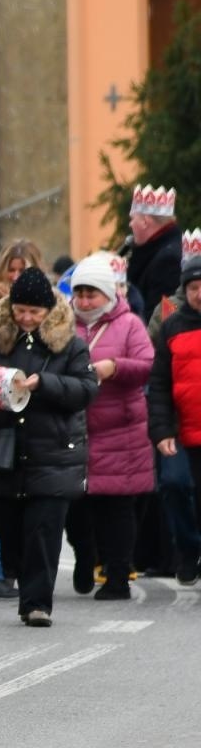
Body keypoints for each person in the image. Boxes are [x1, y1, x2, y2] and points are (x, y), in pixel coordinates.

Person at [0, 267, 98, 627]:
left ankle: (37, 603)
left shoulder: (70, 344)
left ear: (48, 311)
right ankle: (23, 581)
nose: (25, 318)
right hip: (3, 449)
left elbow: (86, 389)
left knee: (44, 530)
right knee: (8, 528)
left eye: (34, 312)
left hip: (54, 449)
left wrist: (47, 384)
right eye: (20, 310)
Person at [61, 252, 154, 602]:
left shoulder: (129, 324)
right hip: (74, 428)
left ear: (108, 295)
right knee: (75, 508)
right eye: (80, 294)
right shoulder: (63, 325)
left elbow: (147, 365)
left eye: (92, 294)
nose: (84, 301)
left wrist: (114, 366)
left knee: (116, 509)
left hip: (120, 429)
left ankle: (118, 576)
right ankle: (86, 557)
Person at [147, 232, 201, 584]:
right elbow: (160, 386)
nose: (200, 294)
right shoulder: (171, 326)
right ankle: (188, 547)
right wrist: (162, 431)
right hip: (181, 431)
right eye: (194, 288)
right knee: (174, 485)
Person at [126, 185, 183, 315]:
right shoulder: (162, 250)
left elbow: (158, 317)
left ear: (145, 222)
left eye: (132, 219)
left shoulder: (168, 261)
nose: (130, 224)